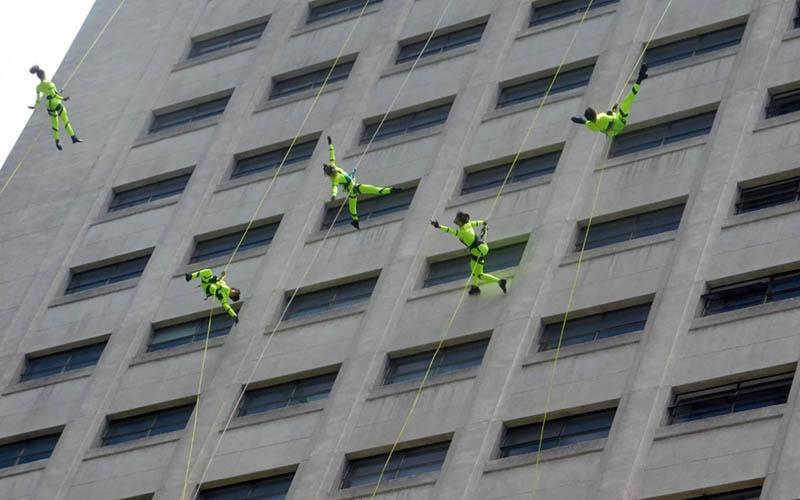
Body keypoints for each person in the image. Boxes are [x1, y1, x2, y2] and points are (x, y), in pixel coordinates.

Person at [324, 136, 399, 229]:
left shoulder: (333, 165)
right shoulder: (334, 179)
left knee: (374, 190)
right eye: (333, 173)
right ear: (331, 174)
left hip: (355, 188)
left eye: (334, 170)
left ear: (333, 168)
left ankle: (391, 190)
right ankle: (355, 222)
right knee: (352, 210)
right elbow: (334, 187)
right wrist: (334, 195)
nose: (335, 172)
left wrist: (330, 144)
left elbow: (332, 155)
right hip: (352, 191)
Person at [430, 211, 507, 296]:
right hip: (482, 248)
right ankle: (475, 287)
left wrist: (438, 226)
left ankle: (499, 281)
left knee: (479, 274)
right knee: (474, 268)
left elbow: (450, 231)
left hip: (478, 251)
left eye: (456, 219)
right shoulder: (467, 225)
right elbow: (475, 223)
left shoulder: (462, 232)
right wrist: (483, 222)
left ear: (460, 221)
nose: (455, 220)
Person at [570, 63, 648, 137]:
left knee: (627, 102)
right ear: (595, 113)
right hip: (619, 122)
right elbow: (610, 117)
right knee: (627, 101)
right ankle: (640, 78)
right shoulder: (601, 117)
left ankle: (640, 79)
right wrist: (612, 112)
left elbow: (583, 122)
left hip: (613, 131)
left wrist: (577, 120)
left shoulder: (590, 125)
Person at [28, 65, 82, 150]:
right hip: (57, 103)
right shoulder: (50, 83)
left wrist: (34, 106)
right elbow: (54, 95)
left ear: (38, 77)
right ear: (44, 74)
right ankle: (73, 137)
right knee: (65, 121)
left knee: (55, 125)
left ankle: (57, 142)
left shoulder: (38, 87)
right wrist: (63, 98)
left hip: (49, 106)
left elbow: (39, 99)